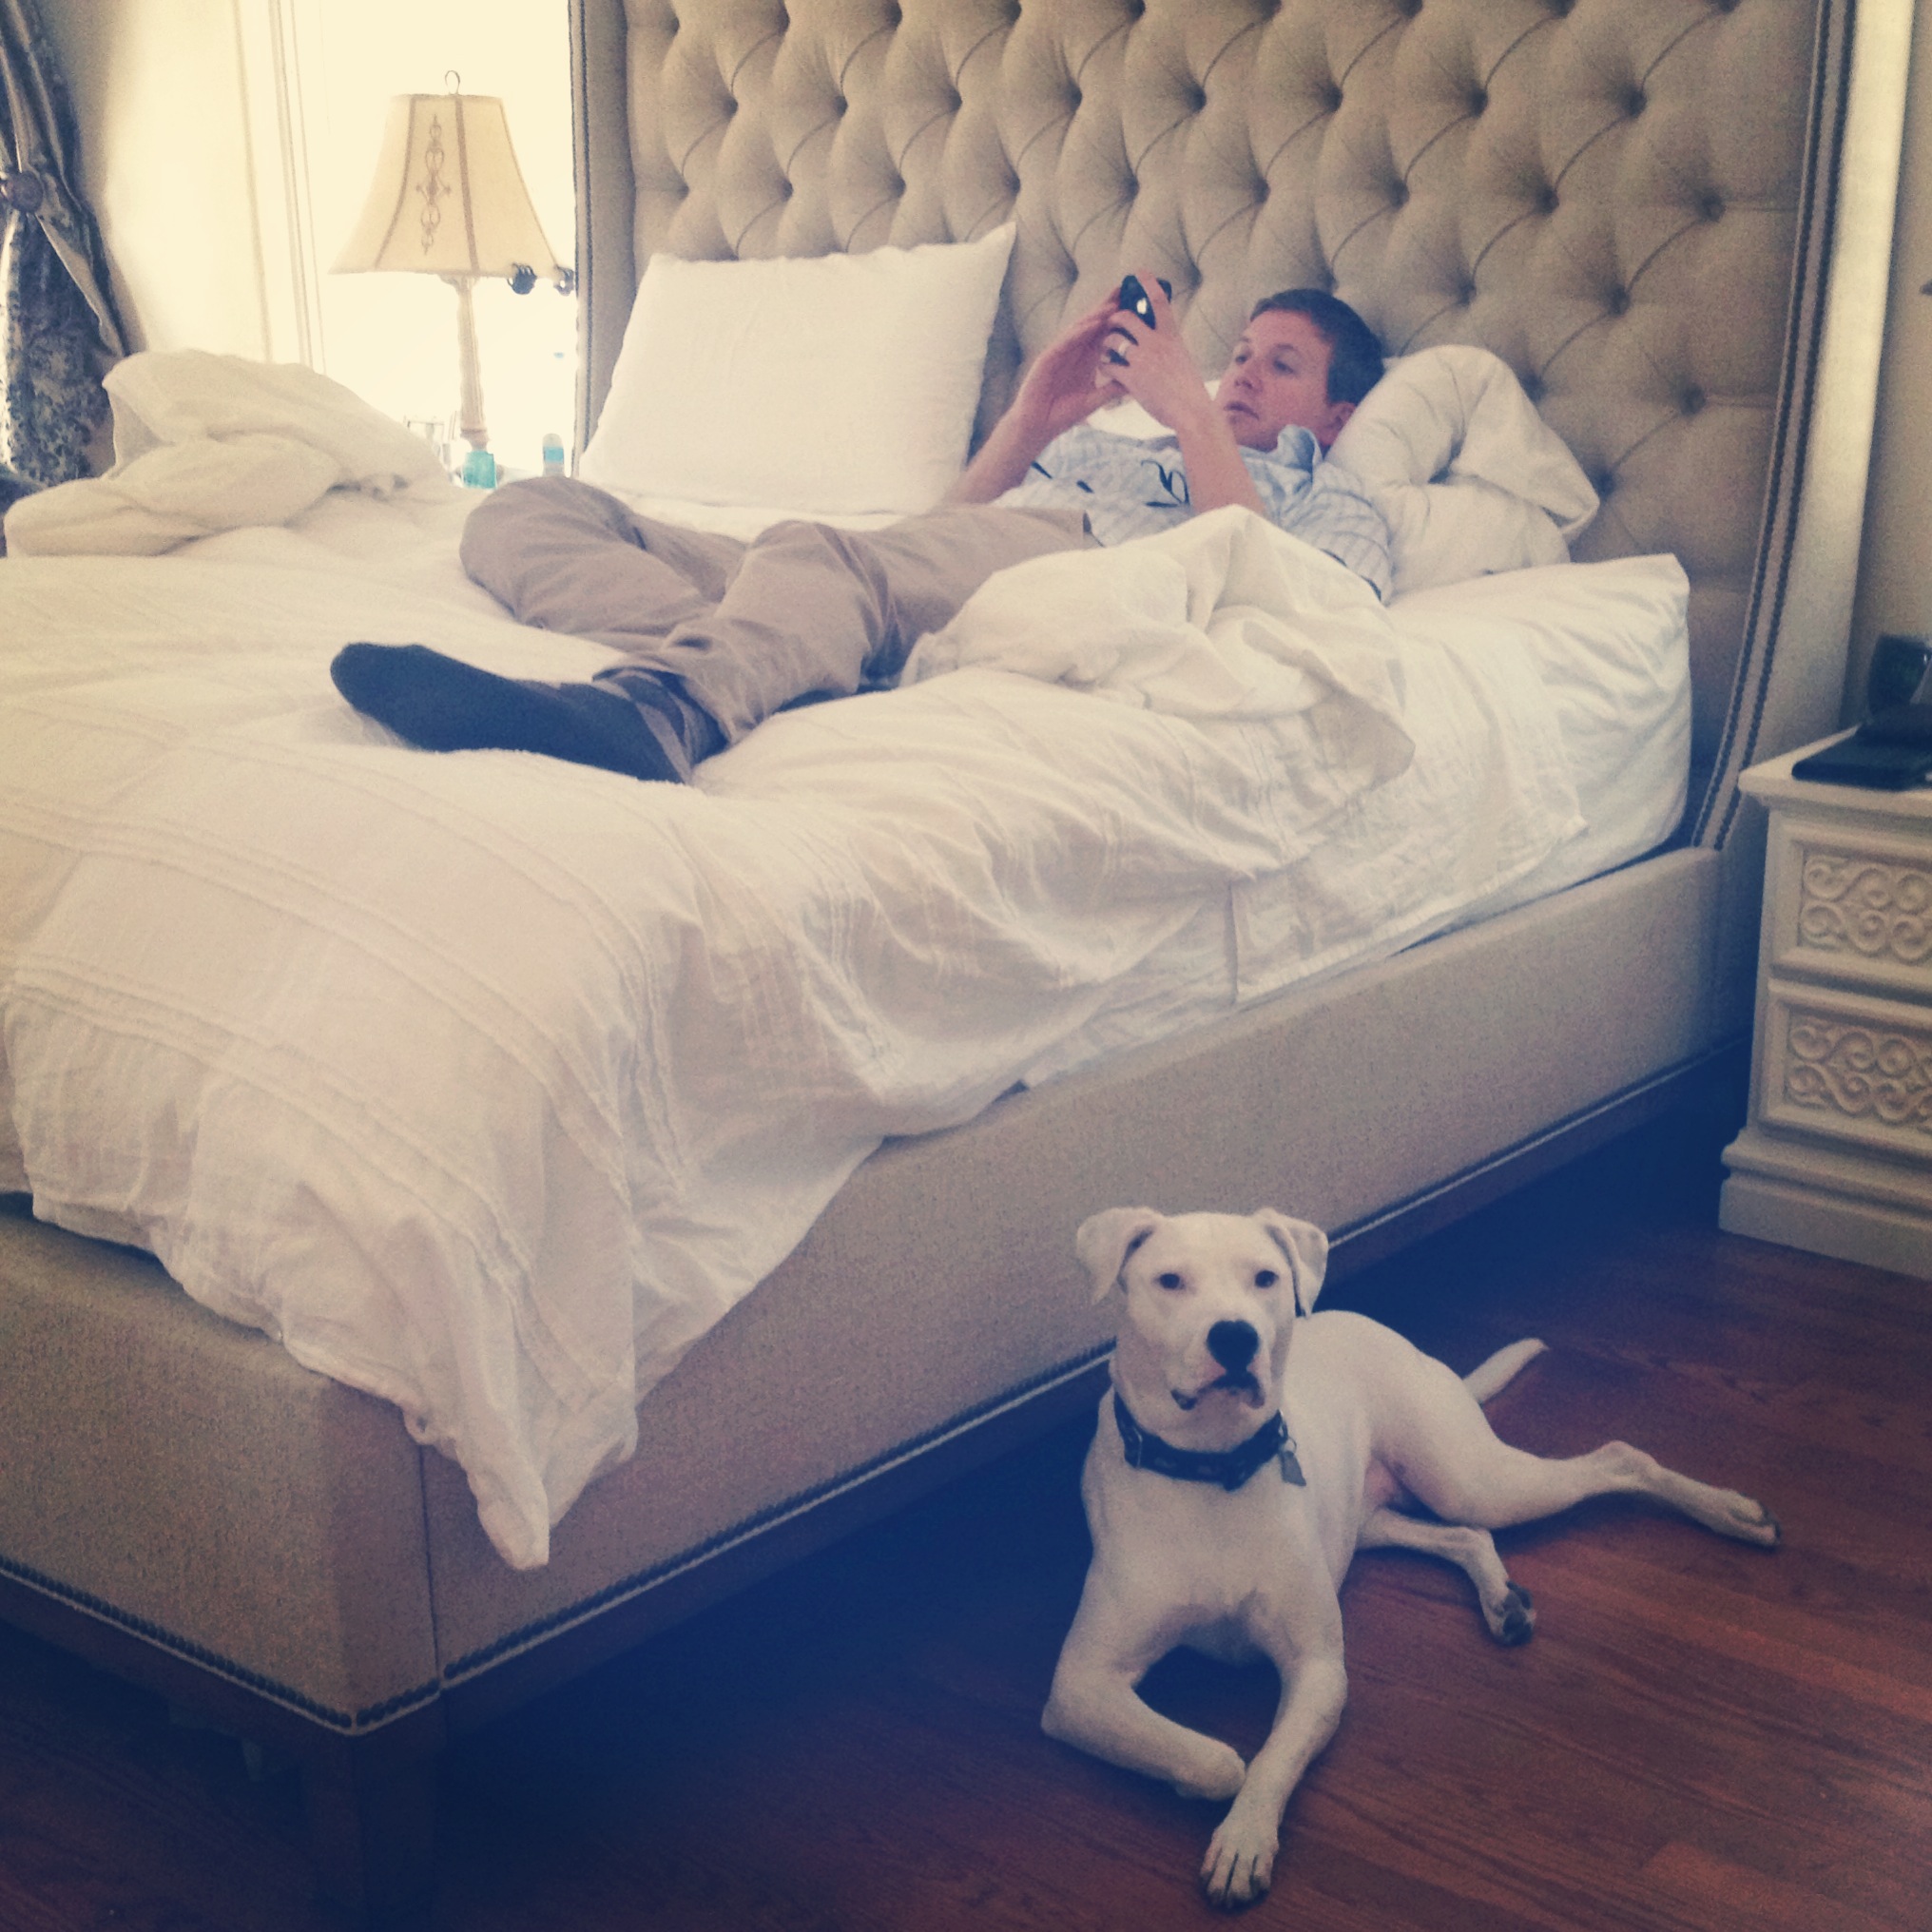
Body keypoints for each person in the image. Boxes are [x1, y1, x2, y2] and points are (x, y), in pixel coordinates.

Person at [329, 282, 1390, 783]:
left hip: (1089, 566)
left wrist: (1194, 418)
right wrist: (1031, 421)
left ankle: (662, 710)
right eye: (1238, 355)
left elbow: (1288, 591)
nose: (1242, 374)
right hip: (922, 569)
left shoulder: (1331, 497)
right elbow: (944, 537)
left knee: (818, 555)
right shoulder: (1114, 447)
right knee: (530, 507)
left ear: (1337, 414)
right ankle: (787, 653)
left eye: (1281, 365)